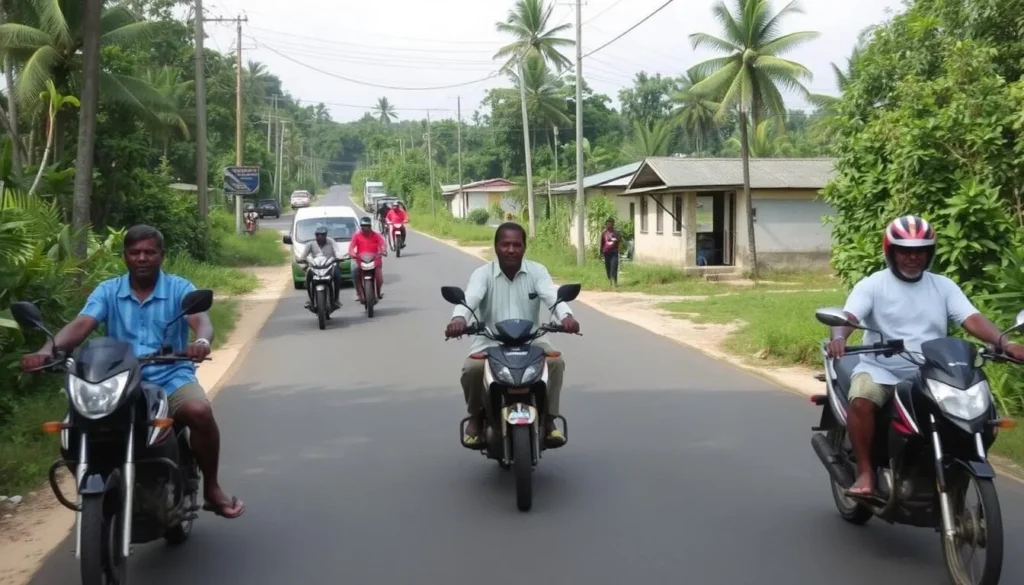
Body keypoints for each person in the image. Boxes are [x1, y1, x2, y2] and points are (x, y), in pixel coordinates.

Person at [20, 225, 245, 519]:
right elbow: (82, 324)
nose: (142, 258)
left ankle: (212, 489)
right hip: (118, 381)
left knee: (199, 411)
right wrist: (46, 350)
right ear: (125, 256)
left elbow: (200, 320)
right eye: (135, 252)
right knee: (74, 427)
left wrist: (201, 341)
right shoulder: (108, 290)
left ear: (161, 256)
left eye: (149, 252)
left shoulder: (179, 288)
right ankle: (100, 489)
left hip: (170, 376)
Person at [826, 215, 1024, 499]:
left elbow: (971, 318)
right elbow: (849, 316)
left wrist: (1006, 342)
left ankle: (949, 470)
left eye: (920, 251)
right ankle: (866, 472)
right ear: (891, 251)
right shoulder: (873, 285)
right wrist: (838, 337)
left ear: (929, 253)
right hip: (882, 369)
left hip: (931, 372)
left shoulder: (942, 286)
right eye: (904, 251)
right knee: (862, 399)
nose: (912, 258)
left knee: (981, 414)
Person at [444, 222, 581, 447]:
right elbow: (470, 299)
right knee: (472, 369)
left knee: (556, 361)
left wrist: (566, 317)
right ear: (496, 247)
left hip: (532, 338)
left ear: (524, 247)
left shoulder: (537, 271)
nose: (511, 249)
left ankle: (548, 419)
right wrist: (459, 320)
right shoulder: (483, 274)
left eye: (516, 244)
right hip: (490, 339)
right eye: (505, 244)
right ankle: (476, 417)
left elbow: (551, 296)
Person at [297, 224, 343, 310]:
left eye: (322, 235)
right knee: (308, 278)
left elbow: (337, 252)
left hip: (329, 265)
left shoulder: (331, 241)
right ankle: (310, 300)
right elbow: (303, 256)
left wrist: (339, 258)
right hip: (315, 267)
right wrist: (302, 261)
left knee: (337, 275)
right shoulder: (310, 244)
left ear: (326, 235)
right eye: (317, 235)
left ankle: (336, 299)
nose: (320, 237)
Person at [348, 216, 388, 304]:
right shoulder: (356, 236)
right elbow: (351, 247)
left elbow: (382, 244)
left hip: (375, 259)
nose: (365, 228)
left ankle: (378, 291)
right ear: (360, 226)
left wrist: (383, 250)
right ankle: (359, 293)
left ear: (370, 226)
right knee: (354, 273)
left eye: (367, 226)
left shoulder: (376, 235)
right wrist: (352, 253)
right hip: (360, 260)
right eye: (363, 226)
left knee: (379, 277)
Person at [600, 217, 622, 287]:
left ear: (613, 224)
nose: (608, 225)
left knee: (614, 267)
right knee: (608, 268)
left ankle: (614, 282)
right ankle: (610, 280)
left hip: (614, 253)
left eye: (610, 223)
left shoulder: (616, 233)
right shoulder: (604, 234)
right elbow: (602, 243)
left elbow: (620, 242)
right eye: (607, 224)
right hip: (606, 253)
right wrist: (601, 252)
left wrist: (619, 250)